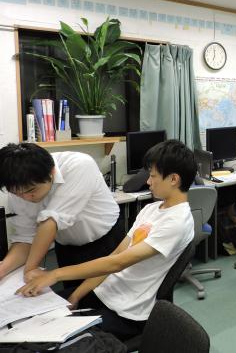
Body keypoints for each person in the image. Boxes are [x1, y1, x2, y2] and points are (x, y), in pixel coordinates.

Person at [16, 139, 196, 341]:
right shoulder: (151, 209)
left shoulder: (177, 221)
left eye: (153, 176)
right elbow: (115, 256)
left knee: (52, 338)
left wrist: (56, 274)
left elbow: (118, 263)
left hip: (128, 312)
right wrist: (77, 295)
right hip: (105, 293)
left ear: (173, 179)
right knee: (32, 315)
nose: (148, 182)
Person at [0, 143, 123, 286]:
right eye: (17, 194)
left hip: (106, 242)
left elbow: (50, 222)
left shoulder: (79, 165)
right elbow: (25, 238)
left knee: (111, 294)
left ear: (52, 172)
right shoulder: (17, 185)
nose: (26, 198)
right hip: (67, 248)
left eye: (31, 190)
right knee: (73, 294)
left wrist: (30, 269)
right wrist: (2, 269)